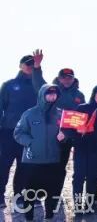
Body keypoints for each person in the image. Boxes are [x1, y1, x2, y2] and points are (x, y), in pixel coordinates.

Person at [12, 84, 65, 219]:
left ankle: (49, 216)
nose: (52, 96)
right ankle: (29, 218)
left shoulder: (61, 114)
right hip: (32, 161)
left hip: (52, 160)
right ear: (42, 95)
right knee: (30, 193)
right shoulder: (29, 113)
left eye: (54, 94)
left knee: (51, 191)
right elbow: (18, 133)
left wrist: (64, 137)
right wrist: (30, 142)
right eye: (49, 93)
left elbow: (67, 134)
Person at [0, 50, 45, 204]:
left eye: (33, 64)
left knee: (24, 166)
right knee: (3, 165)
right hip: (9, 132)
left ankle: (19, 197)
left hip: (29, 133)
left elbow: (46, 94)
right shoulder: (8, 85)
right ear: (20, 66)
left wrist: (38, 68)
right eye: (27, 64)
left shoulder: (39, 85)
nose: (30, 66)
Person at [69, 84, 97, 209]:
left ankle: (88, 205)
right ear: (94, 94)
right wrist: (77, 132)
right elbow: (72, 127)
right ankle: (77, 206)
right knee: (78, 177)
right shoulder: (82, 108)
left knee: (92, 178)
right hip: (81, 149)